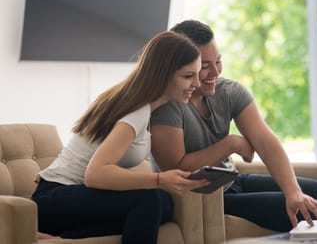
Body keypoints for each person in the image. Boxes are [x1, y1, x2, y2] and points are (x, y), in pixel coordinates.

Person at [150, 20, 317, 232]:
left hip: (232, 181)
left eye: (218, 62)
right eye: (204, 66)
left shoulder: (229, 92)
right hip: (202, 198)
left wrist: (293, 191)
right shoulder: (167, 106)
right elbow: (178, 168)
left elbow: (264, 140)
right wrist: (230, 144)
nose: (215, 72)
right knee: (301, 212)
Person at [32, 31, 209, 243]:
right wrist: (159, 180)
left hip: (74, 198)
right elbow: (95, 175)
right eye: (188, 76)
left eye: (197, 74)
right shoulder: (137, 111)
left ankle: (63, 237)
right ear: (163, 74)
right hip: (54, 198)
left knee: (163, 202)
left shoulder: (148, 107)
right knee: (151, 199)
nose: (197, 84)